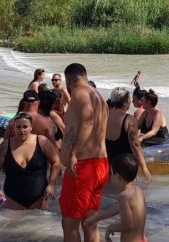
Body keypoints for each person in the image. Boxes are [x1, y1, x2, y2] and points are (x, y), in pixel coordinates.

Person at [60, 63, 109, 242]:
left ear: (68, 80)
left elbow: (87, 121)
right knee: (90, 221)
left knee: (70, 224)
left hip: (84, 167)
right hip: (100, 164)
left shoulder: (79, 93)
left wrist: (73, 153)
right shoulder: (100, 98)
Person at [0, 112, 61, 210]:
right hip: (12, 199)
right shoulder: (5, 146)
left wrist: (51, 184)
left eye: (25, 126)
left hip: (39, 198)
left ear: (31, 127)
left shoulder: (42, 142)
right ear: (13, 128)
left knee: (40, 224)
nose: (22, 130)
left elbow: (56, 162)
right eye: (18, 127)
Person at [83, 154, 147, 242]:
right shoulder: (139, 191)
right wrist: (97, 218)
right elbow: (118, 209)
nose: (110, 176)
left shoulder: (123, 196)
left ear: (117, 176)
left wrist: (110, 228)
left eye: (111, 173)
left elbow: (128, 225)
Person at [106, 88, 152, 183]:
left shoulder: (104, 117)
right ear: (124, 102)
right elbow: (135, 145)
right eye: (129, 100)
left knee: (109, 194)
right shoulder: (129, 120)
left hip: (108, 165)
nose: (130, 101)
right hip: (125, 167)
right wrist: (144, 168)